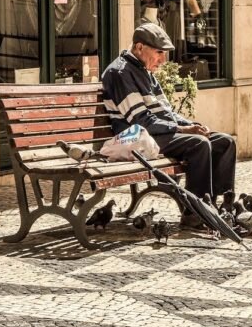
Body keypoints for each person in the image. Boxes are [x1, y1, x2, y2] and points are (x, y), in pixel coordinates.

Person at [101, 23, 236, 209]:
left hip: (156, 134)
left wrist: (193, 124)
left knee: (225, 142)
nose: (163, 60)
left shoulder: (145, 71)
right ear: (139, 47)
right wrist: (182, 129)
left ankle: (220, 205)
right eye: (159, 53)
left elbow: (166, 112)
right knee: (199, 144)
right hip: (136, 139)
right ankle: (194, 211)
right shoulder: (120, 72)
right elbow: (140, 121)